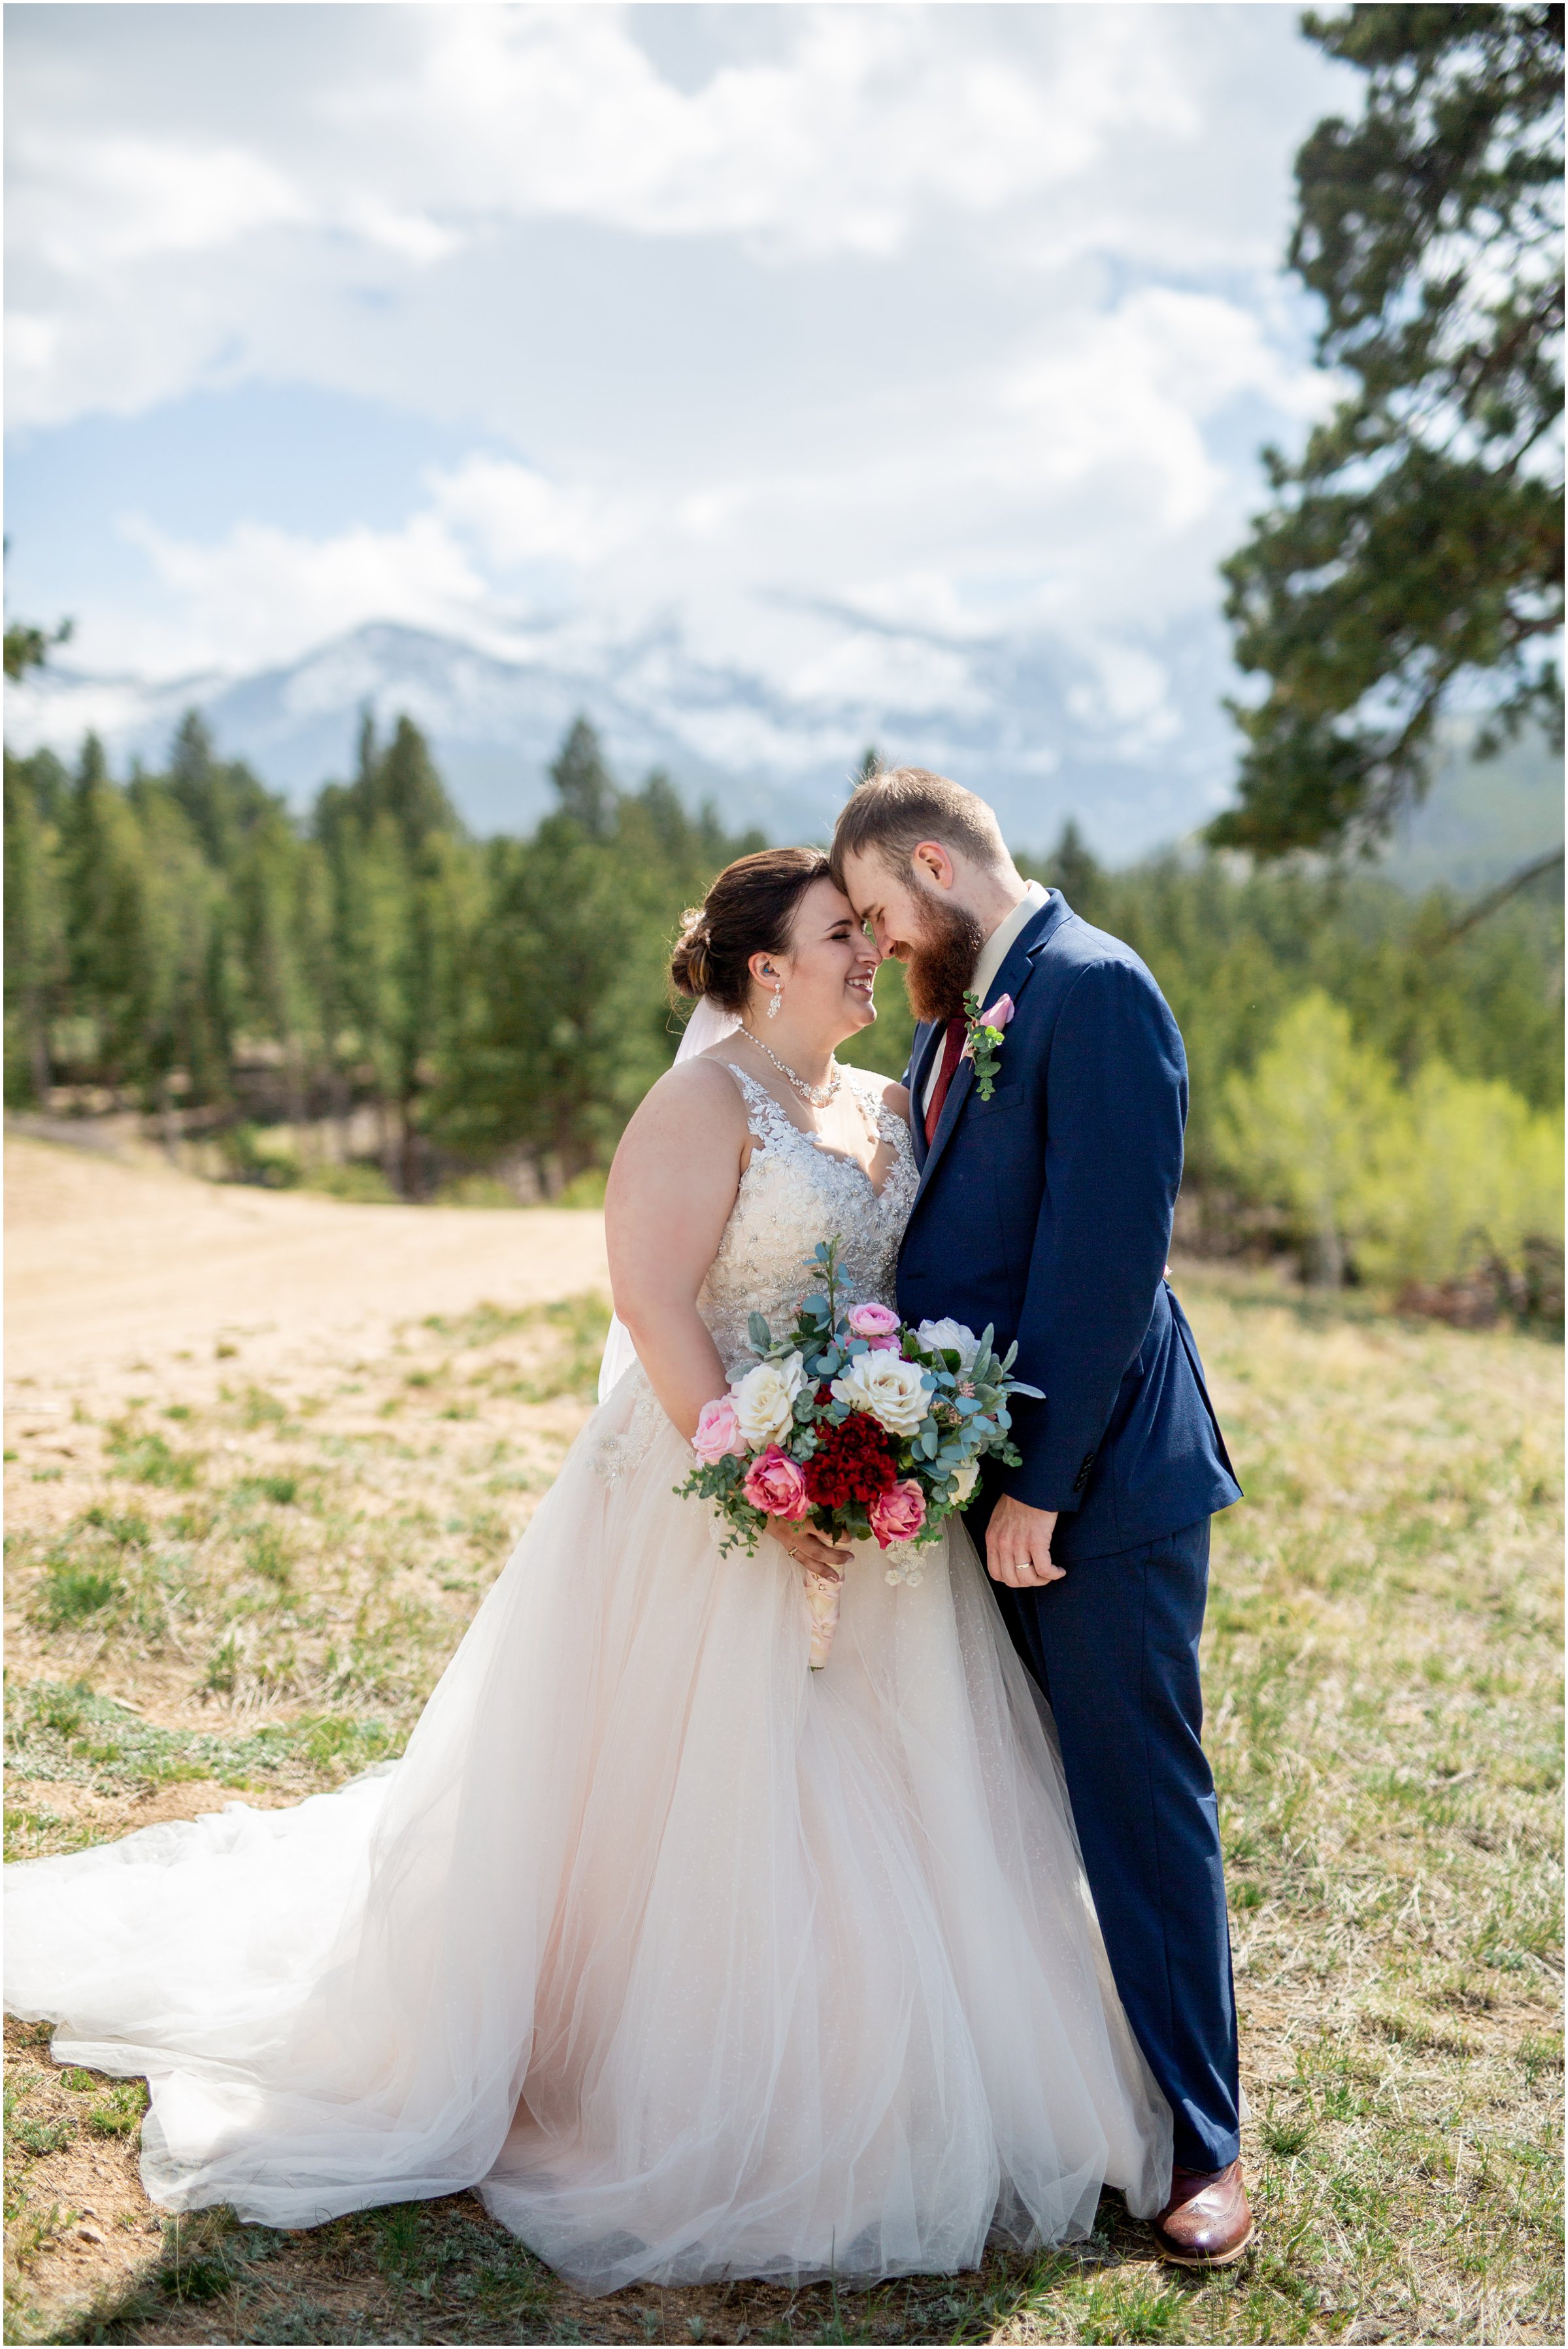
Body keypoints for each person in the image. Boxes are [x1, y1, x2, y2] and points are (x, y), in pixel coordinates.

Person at [6, 846, 1171, 2296]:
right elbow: (653, 1298)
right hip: (718, 1480)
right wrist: (767, 1470)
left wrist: (893, 1441)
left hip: (877, 1497)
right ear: (766, 967)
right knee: (688, 1778)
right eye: (840, 933)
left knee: (890, 1771)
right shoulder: (702, 1103)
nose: (872, 951)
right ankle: (662, 2058)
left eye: (867, 928)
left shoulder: (887, 1102)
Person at [833, 769, 1252, 2269]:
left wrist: (1041, 1488)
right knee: (1010, 1801)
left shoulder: (1097, 992)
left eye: (881, 913)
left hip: (1096, 1491)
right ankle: (1067, 2094)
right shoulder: (966, 1020)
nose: (878, 951)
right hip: (982, 1489)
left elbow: (1105, 1266)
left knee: (1138, 1803)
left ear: (935, 863)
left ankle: (1205, 2145)